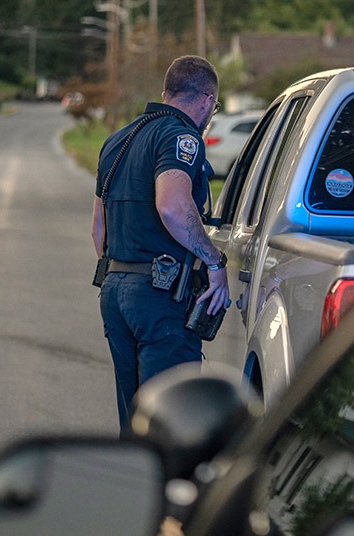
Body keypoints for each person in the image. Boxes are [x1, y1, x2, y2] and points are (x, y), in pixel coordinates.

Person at [91, 55, 230, 434]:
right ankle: (166, 491)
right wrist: (215, 263)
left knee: (134, 421)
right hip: (159, 297)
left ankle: (134, 488)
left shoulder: (116, 141)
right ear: (206, 100)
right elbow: (172, 206)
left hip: (115, 292)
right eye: (214, 107)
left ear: (165, 93)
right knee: (170, 423)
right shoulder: (182, 137)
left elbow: (98, 232)